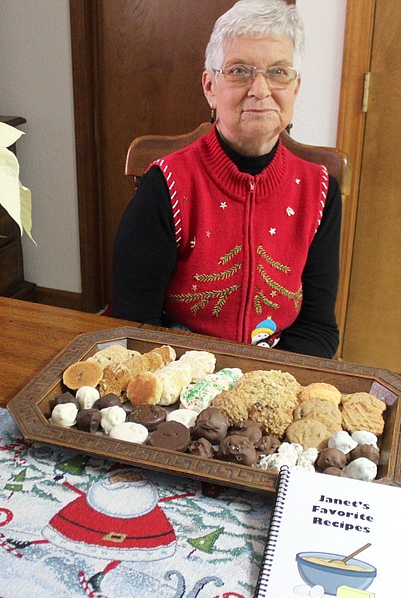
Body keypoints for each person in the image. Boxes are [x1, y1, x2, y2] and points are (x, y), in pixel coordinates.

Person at [111, 0, 341, 359]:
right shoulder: (165, 184)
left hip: (277, 372)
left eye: (278, 72)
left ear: (295, 87)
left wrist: (268, 385)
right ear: (210, 86)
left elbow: (317, 328)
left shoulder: (321, 192)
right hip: (179, 370)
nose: (260, 89)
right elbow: (135, 324)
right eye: (239, 70)